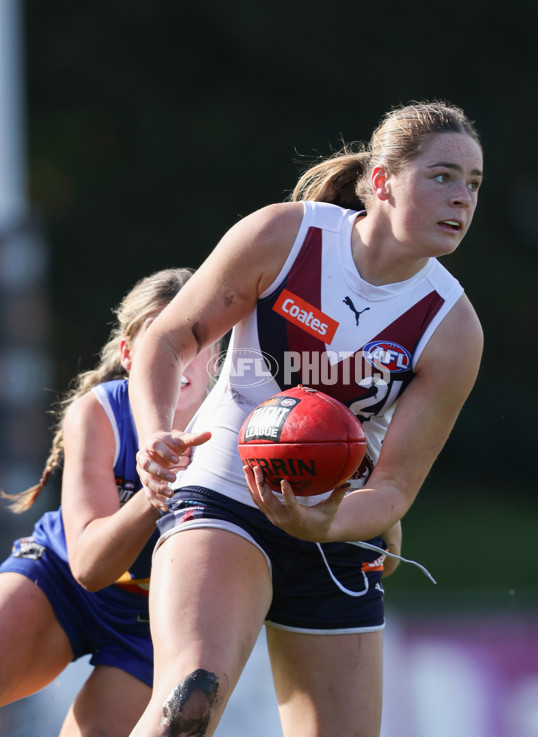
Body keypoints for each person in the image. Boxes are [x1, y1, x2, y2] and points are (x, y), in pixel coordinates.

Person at [128, 100, 484, 737]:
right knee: (190, 699)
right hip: (224, 495)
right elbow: (167, 337)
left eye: (473, 184)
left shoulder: (452, 328)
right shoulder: (283, 237)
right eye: (442, 176)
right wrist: (154, 430)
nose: (462, 199)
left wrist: (330, 521)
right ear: (380, 182)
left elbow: (396, 488)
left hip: (337, 530)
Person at [0, 268, 215, 737]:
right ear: (129, 355)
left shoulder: (242, 435)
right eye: (162, 338)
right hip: (59, 578)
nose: (180, 359)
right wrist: (156, 488)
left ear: (217, 358)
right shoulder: (99, 412)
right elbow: (89, 567)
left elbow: (370, 556)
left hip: (153, 622)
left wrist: (364, 512)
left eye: (195, 341)